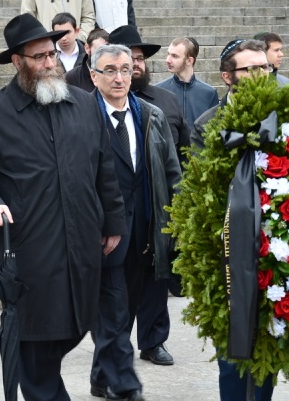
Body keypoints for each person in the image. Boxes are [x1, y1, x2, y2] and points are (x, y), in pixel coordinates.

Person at [0, 13, 127, 401]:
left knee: (70, 329)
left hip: (82, 244)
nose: (50, 63)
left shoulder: (84, 104)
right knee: (32, 341)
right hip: (30, 249)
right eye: (39, 57)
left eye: (52, 54)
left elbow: (104, 168)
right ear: (18, 62)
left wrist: (112, 221)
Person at [89, 43, 181, 401]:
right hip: (103, 232)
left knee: (123, 312)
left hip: (145, 229)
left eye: (125, 69)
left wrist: (174, 220)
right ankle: (119, 382)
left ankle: (101, 377)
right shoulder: (83, 115)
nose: (119, 77)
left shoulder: (150, 114)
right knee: (112, 311)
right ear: (94, 75)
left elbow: (170, 171)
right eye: (110, 70)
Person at [189, 39, 276, 401]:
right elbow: (196, 191)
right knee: (232, 355)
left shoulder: (284, 118)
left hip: (276, 248)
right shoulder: (208, 124)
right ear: (228, 76)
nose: (260, 74)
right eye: (249, 68)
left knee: (270, 352)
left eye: (265, 67)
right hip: (226, 251)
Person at [108, 25, 187, 365]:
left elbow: (177, 159)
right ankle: (116, 344)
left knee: (156, 280)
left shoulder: (165, 103)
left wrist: (180, 208)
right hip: (116, 213)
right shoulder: (96, 108)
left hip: (154, 208)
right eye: (127, 61)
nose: (134, 67)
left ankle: (154, 342)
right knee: (120, 286)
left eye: (138, 61)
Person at [110, 25, 190, 168]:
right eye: (130, 58)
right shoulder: (99, 104)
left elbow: (185, 153)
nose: (135, 64)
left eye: (140, 58)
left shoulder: (168, 100)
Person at [155, 37, 219, 129]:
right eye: (168, 54)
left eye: (174, 56)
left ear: (189, 61)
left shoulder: (209, 93)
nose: (168, 60)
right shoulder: (159, 91)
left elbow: (215, 130)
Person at [65, 27, 109, 92]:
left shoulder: (116, 75)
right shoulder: (71, 78)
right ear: (87, 48)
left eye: (107, 51)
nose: (103, 55)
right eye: (99, 51)